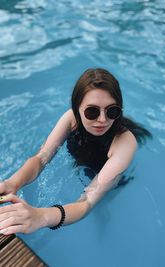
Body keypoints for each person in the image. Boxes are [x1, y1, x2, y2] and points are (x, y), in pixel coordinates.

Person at [0, 68, 151, 234]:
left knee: (101, 205)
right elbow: (41, 158)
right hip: (86, 161)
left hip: (109, 174)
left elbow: (86, 202)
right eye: (92, 111)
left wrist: (40, 216)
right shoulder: (71, 119)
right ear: (77, 108)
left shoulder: (125, 143)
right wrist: (13, 182)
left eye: (111, 111)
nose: (102, 120)